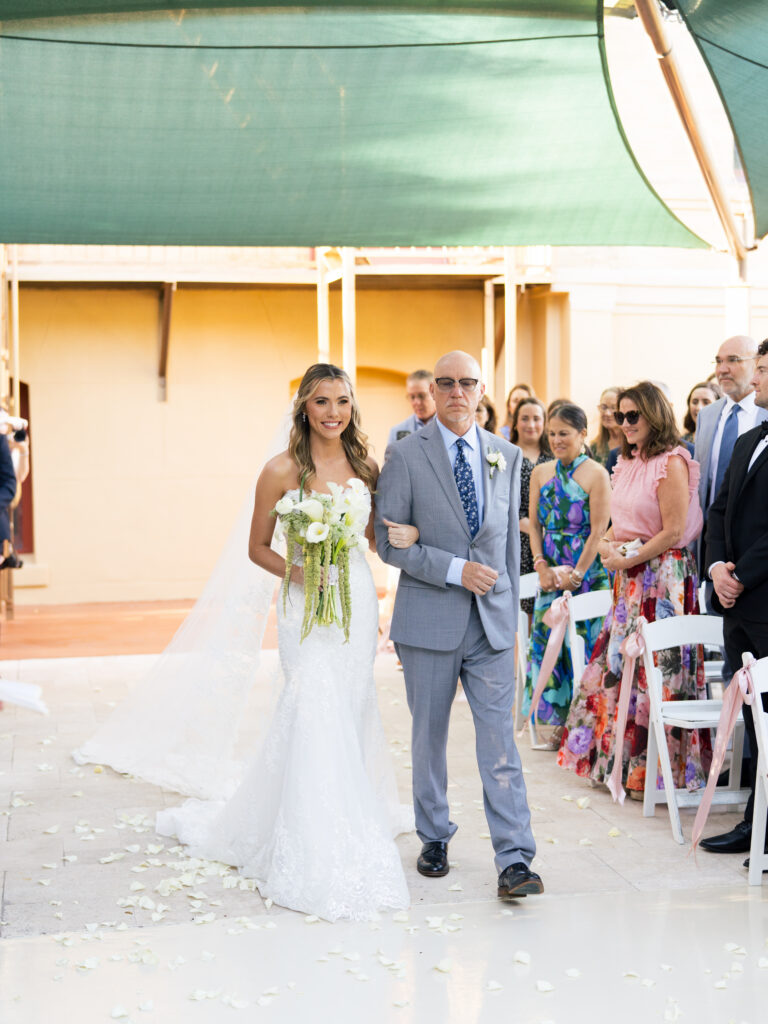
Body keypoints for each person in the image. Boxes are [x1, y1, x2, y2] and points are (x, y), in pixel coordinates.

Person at [156, 364, 412, 921]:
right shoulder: (279, 470)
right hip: (303, 605)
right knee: (312, 702)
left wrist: (402, 536)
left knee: (347, 705)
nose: (333, 413)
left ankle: (344, 813)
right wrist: (298, 573)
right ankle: (311, 838)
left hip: (355, 600)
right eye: (322, 402)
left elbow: (373, 539)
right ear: (304, 408)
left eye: (342, 401)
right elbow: (256, 547)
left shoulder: (366, 466)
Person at [375, 350, 542, 900]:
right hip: (428, 619)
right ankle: (434, 836)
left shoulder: (507, 454)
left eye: (464, 383)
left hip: (491, 622)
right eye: (443, 383)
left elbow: (506, 546)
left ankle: (515, 858)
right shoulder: (404, 454)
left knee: (500, 745)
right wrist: (452, 569)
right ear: (433, 389)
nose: (454, 392)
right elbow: (387, 542)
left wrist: (513, 614)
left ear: (480, 388)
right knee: (430, 738)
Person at [558, 381, 711, 799]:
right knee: (618, 668)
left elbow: (675, 530)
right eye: (619, 415)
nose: (622, 423)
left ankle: (658, 775)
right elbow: (617, 521)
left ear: (653, 414)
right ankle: (621, 766)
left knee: (656, 672)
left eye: (632, 415)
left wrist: (628, 558)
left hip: (662, 579)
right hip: (628, 581)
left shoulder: (672, 462)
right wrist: (608, 544)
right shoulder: (626, 462)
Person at [699, 339, 768, 857]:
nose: (756, 381)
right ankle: (756, 822)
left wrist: (742, 573)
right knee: (752, 721)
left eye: (763, 371)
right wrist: (717, 567)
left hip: (764, 598)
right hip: (735, 603)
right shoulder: (748, 441)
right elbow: (720, 511)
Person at [522, 404, 610, 742]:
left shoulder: (597, 474)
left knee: (588, 645)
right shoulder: (540, 473)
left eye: (564, 433)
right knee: (550, 648)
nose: (557, 440)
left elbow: (599, 529)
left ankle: (589, 727)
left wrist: (578, 574)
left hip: (587, 572)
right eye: (553, 434)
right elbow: (534, 525)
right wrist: (541, 565)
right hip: (550, 573)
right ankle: (559, 725)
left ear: (582, 434)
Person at [693, 336, 767, 579]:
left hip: (754, 557)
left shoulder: (761, 414)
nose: (722, 369)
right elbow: (706, 489)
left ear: (756, 364)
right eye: (718, 361)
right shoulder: (707, 416)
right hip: (710, 548)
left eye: (733, 360)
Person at [509, 397, 551, 610]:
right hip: (518, 542)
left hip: (551, 543)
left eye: (536, 418)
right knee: (522, 608)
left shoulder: (553, 456)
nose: (531, 424)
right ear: (515, 423)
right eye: (524, 419)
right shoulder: (505, 455)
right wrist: (534, 530)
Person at [387, 369, 436, 448]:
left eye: (421, 396)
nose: (416, 402)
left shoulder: (451, 428)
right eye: (412, 397)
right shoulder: (396, 432)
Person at [590, 387, 623, 467]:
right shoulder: (595, 446)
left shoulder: (632, 445)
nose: (607, 413)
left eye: (613, 408)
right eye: (604, 407)